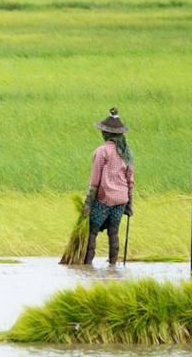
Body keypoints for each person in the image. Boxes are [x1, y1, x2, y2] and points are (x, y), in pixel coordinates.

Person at [82, 107, 134, 265]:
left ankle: (87, 264)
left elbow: (95, 180)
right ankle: (113, 264)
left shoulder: (102, 151)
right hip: (121, 199)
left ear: (107, 133)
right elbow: (130, 179)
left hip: (104, 198)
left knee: (92, 231)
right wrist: (130, 204)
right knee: (114, 232)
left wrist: (88, 203)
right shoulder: (127, 153)